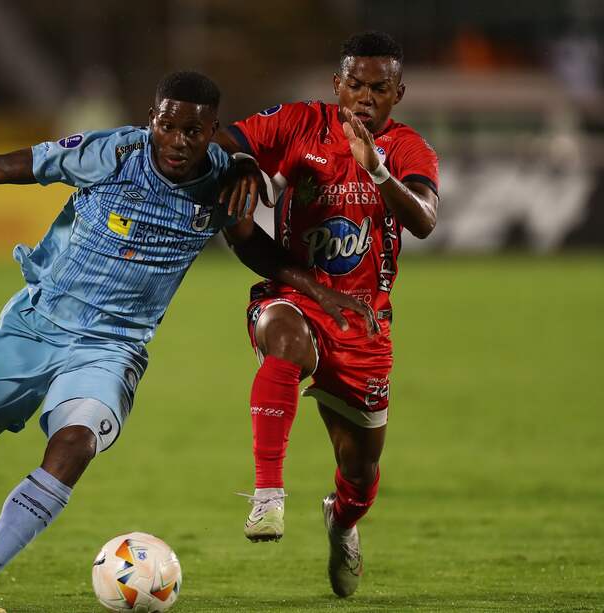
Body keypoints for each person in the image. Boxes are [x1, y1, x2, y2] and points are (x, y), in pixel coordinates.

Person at [0, 71, 370, 613]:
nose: (178, 142)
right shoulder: (112, 154)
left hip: (111, 349)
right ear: (153, 119)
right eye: (168, 126)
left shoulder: (225, 181)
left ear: (212, 132)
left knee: (76, 442)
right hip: (33, 326)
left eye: (193, 132)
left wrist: (318, 289)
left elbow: (254, 250)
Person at [216, 31, 440, 597]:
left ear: (399, 92)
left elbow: (425, 221)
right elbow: (225, 139)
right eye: (356, 84)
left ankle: (342, 521)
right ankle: (268, 495)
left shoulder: (410, 148)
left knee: (360, 474)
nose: (365, 97)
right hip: (297, 297)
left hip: (364, 326)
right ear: (337, 84)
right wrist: (244, 161)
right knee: (283, 338)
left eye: (379, 88)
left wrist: (379, 172)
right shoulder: (298, 123)